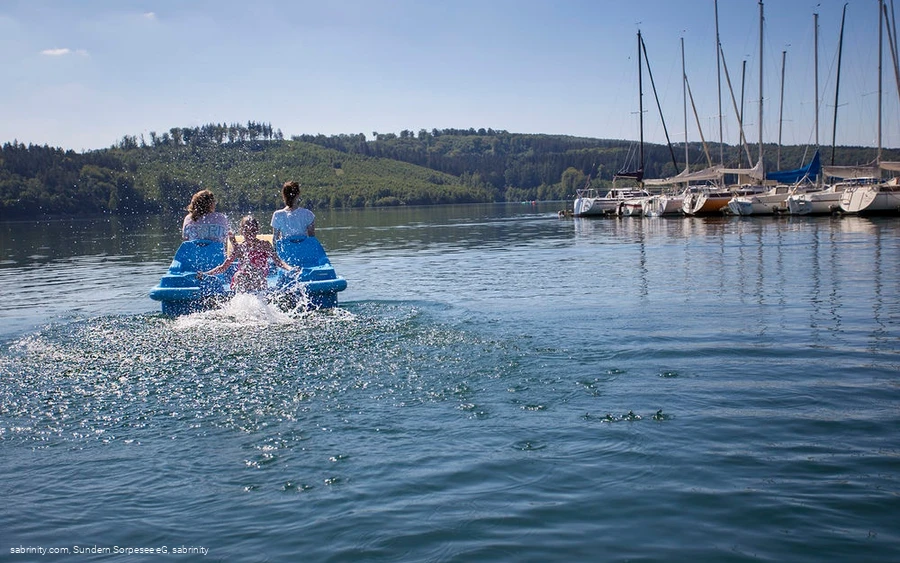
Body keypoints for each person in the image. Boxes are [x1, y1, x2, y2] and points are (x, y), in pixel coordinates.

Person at [200, 216, 295, 293]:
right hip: (241, 279)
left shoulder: (265, 245)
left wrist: (290, 268)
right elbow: (223, 267)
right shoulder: (240, 248)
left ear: (257, 230)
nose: (250, 234)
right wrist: (206, 274)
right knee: (241, 275)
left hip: (258, 279)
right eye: (246, 230)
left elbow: (279, 262)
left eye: (253, 230)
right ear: (241, 231)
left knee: (258, 276)